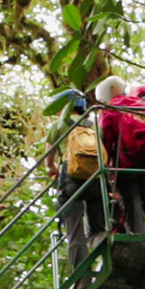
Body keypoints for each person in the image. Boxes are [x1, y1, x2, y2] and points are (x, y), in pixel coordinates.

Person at [95, 76, 145, 234]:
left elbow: (106, 141)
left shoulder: (111, 110)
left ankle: (138, 237)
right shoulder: (141, 105)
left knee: (132, 202)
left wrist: (107, 166)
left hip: (126, 164)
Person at [44, 89, 108, 269]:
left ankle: (82, 277)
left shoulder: (59, 124)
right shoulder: (93, 124)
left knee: (75, 229)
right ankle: (105, 259)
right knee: (98, 227)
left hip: (71, 177)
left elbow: (48, 158)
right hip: (95, 178)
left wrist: (52, 169)